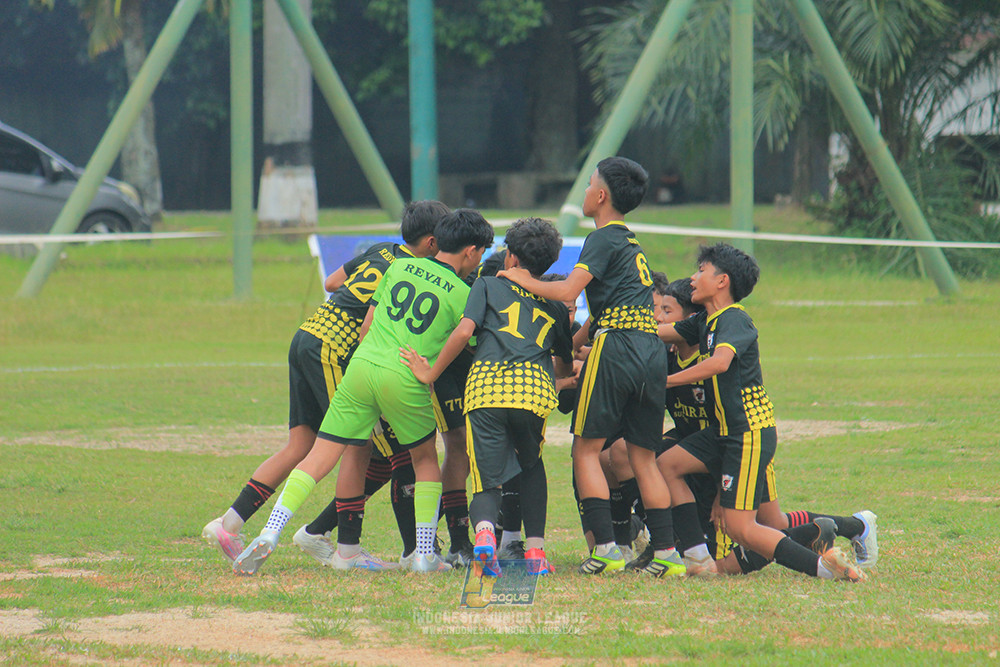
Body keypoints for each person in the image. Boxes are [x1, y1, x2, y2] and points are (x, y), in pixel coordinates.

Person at [233, 209, 493, 575]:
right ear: (471, 251)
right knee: (424, 461)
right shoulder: (465, 292)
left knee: (320, 456)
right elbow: (466, 336)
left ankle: (271, 531)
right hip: (405, 377)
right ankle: (423, 555)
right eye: (480, 253)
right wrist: (431, 370)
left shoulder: (399, 267)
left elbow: (367, 325)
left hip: (361, 366)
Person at [498, 157, 684, 577]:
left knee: (585, 449)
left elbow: (567, 290)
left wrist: (521, 280)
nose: (583, 192)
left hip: (617, 347)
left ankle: (605, 550)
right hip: (649, 348)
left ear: (601, 196)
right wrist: (572, 341)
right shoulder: (633, 244)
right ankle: (670, 554)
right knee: (643, 456)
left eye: (588, 185)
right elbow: (604, 311)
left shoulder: (602, 238)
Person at [657, 243, 865, 581]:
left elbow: (719, 363)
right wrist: (600, 341)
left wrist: (665, 381)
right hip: (723, 433)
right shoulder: (705, 322)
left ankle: (823, 568)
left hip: (747, 433)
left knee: (741, 527)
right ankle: (697, 555)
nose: (692, 279)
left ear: (722, 281)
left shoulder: (735, 319)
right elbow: (653, 333)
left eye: (700, 271)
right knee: (668, 464)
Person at [402, 217, 575, 577]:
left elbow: (465, 331)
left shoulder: (484, 285)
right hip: (532, 394)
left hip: (486, 389)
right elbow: (562, 363)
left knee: (486, 476)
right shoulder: (557, 307)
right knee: (531, 467)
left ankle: (483, 539)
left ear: (509, 257)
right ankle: (536, 553)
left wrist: (430, 372)